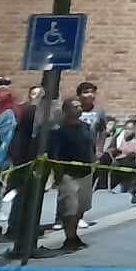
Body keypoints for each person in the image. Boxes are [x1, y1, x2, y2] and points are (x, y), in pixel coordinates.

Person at [45, 97, 94, 251]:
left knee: (82, 205)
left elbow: (90, 146)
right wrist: (58, 173)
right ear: (66, 110)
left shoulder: (85, 127)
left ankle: (74, 234)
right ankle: (70, 237)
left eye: (80, 106)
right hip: (68, 173)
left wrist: (93, 162)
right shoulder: (58, 130)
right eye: (75, 107)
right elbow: (54, 153)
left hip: (85, 172)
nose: (79, 109)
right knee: (70, 206)